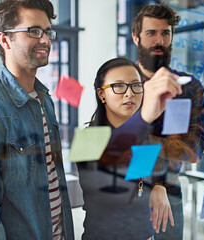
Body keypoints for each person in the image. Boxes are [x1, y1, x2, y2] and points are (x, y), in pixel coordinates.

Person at [0, 0, 74, 239]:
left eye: (47, 31)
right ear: (4, 40)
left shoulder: (44, 100)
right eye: (34, 31)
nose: (45, 40)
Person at [78, 57, 183, 240]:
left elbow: (149, 175)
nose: (129, 94)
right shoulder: (87, 140)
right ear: (101, 94)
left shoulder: (146, 138)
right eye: (119, 86)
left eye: (136, 85)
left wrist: (159, 185)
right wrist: (144, 118)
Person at [131, 4, 204, 239]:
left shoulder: (188, 88)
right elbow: (112, 145)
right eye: (151, 33)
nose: (159, 40)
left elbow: (194, 150)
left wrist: (141, 140)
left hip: (171, 192)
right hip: (129, 189)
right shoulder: (121, 85)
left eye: (165, 33)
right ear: (136, 37)